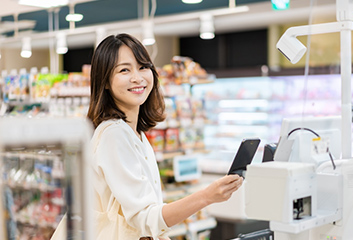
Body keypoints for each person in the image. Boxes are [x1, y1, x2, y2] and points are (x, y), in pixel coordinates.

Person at [87, 33, 243, 240]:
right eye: (124, 70)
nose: (137, 77)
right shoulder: (114, 135)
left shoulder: (136, 134)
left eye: (143, 67)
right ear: (104, 81)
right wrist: (207, 196)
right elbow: (145, 217)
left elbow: (146, 218)